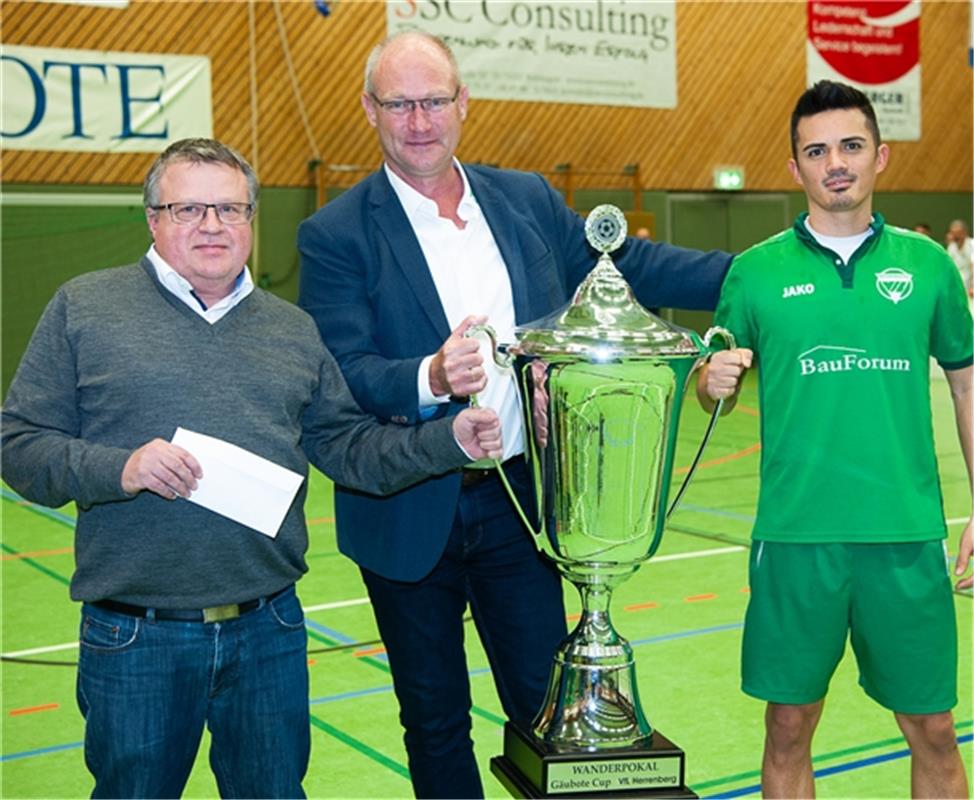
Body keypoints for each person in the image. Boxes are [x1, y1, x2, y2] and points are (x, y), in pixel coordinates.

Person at [297, 30, 732, 799]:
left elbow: (625, 265)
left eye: (434, 100)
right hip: (404, 506)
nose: (420, 120)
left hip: (520, 503)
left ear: (463, 103)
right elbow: (344, 372)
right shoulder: (335, 234)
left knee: (546, 709)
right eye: (400, 104)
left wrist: (757, 274)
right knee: (432, 721)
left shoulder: (525, 198)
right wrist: (430, 373)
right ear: (370, 111)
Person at [0, 138, 504, 800]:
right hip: (135, 636)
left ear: (251, 220)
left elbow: (350, 447)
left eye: (230, 209)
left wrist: (450, 440)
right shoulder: (85, 307)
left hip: (270, 632)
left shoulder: (293, 330)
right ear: (153, 218)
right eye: (188, 209)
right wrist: (117, 468)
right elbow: (19, 444)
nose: (212, 226)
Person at [698, 81, 973, 799]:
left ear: (880, 155)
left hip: (904, 535)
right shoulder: (753, 274)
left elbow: (967, 385)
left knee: (934, 728)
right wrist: (709, 383)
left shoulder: (930, 269)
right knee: (788, 724)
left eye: (850, 146)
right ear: (796, 169)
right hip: (796, 539)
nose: (836, 164)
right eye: (816, 151)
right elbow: (713, 393)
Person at [946, 219, 974, 298]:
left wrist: (973, 287)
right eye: (953, 233)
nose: (955, 236)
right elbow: (949, 267)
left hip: (970, 288)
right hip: (957, 287)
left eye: (958, 233)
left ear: (964, 232)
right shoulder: (951, 247)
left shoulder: (972, 244)